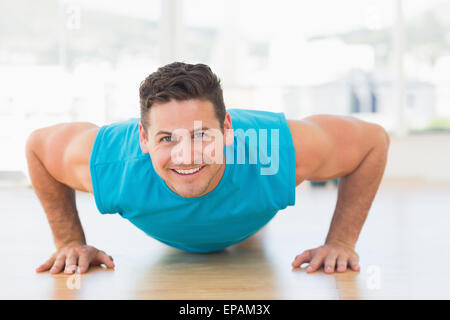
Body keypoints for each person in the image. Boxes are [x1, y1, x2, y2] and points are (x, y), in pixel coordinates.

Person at [25, 62, 390, 275]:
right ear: (143, 139)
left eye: (201, 135)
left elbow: (373, 141)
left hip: (249, 215)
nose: (186, 156)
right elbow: (38, 147)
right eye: (167, 138)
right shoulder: (110, 163)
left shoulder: (277, 151)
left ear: (227, 128)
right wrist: (69, 241)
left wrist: (341, 242)